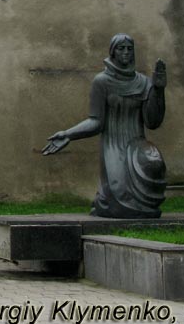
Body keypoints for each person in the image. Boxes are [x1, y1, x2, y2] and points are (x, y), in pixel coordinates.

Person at [42, 34, 167, 218]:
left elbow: (153, 122)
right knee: (118, 194)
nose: (125, 52)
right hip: (113, 145)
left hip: (136, 143)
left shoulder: (143, 82)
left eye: (129, 48)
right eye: (120, 48)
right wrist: (68, 134)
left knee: (154, 166)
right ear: (113, 52)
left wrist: (158, 90)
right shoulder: (102, 81)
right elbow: (96, 122)